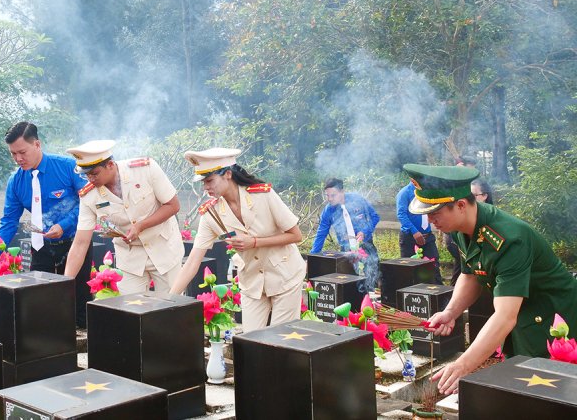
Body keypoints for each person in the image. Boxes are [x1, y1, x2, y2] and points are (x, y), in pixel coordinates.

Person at [403, 163, 577, 395]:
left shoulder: (510, 238)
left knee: (549, 391)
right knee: (517, 380)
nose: (431, 220)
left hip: (549, 316)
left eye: (435, 213)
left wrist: (464, 364)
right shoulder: (460, 228)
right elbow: (471, 274)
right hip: (519, 309)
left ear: (461, 205)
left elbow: (505, 316)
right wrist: (451, 312)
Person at [171, 148, 305, 332]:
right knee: (249, 342)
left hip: (285, 275)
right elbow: (193, 260)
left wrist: (255, 242)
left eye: (209, 181)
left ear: (227, 174)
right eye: (203, 182)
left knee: (281, 340)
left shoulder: (263, 195)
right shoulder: (210, 214)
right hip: (251, 281)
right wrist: (169, 300)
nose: (206, 187)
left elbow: (296, 235)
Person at [0, 122, 92, 328]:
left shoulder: (68, 167)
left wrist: (64, 224)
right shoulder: (16, 182)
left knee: (79, 300)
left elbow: (89, 203)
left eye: (22, 152)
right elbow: (8, 222)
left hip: (75, 242)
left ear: (37, 144)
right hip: (41, 245)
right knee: (41, 298)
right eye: (13, 154)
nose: (18, 159)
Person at [63, 140, 184, 296]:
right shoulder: (89, 195)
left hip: (164, 249)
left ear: (110, 165)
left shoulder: (145, 169)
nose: (90, 179)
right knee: (131, 310)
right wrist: (66, 283)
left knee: (172, 306)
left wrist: (141, 225)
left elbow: (173, 205)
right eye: (86, 175)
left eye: (94, 173)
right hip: (130, 257)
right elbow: (80, 242)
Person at [309, 178, 381, 291]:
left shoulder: (357, 200)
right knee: (350, 282)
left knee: (373, 276)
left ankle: (373, 300)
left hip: (366, 245)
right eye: (327, 195)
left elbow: (375, 217)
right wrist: (312, 256)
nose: (329, 199)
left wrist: (364, 232)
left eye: (333, 195)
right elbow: (321, 234)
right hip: (346, 249)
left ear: (342, 192)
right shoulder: (328, 211)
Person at [450, 178, 494, 286]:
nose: (468, 200)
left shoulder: (492, 220)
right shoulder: (460, 224)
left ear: (485, 196)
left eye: (473, 196)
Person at [396, 180, 442, 284]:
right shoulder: (404, 193)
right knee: (409, 269)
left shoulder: (427, 191)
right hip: (409, 238)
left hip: (428, 237)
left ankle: (438, 295)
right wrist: (415, 232)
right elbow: (401, 215)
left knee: (433, 266)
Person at [446, 156, 479, 285]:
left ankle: (453, 292)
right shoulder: (453, 182)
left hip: (465, 230)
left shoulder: (468, 183)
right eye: (471, 167)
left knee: (461, 266)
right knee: (463, 265)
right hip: (455, 232)